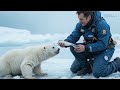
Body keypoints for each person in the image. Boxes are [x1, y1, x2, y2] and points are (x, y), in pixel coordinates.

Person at [58, 11, 120, 78]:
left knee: (98, 73)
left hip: (105, 49)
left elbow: (103, 44)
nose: (80, 21)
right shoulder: (80, 25)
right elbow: (74, 36)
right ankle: (87, 67)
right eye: (79, 19)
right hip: (91, 48)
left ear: (89, 17)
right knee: (74, 68)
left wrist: (85, 48)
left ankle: (117, 63)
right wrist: (66, 42)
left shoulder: (102, 25)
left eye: (82, 19)